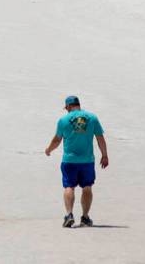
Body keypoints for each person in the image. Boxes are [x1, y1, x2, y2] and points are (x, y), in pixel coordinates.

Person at [44, 95, 109, 228]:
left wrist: (49, 149)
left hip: (69, 161)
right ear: (78, 104)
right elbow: (100, 138)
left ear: (68, 106)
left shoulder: (63, 120)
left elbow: (57, 140)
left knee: (69, 186)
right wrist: (104, 155)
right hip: (87, 161)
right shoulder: (92, 118)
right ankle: (85, 217)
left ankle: (69, 215)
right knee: (87, 187)